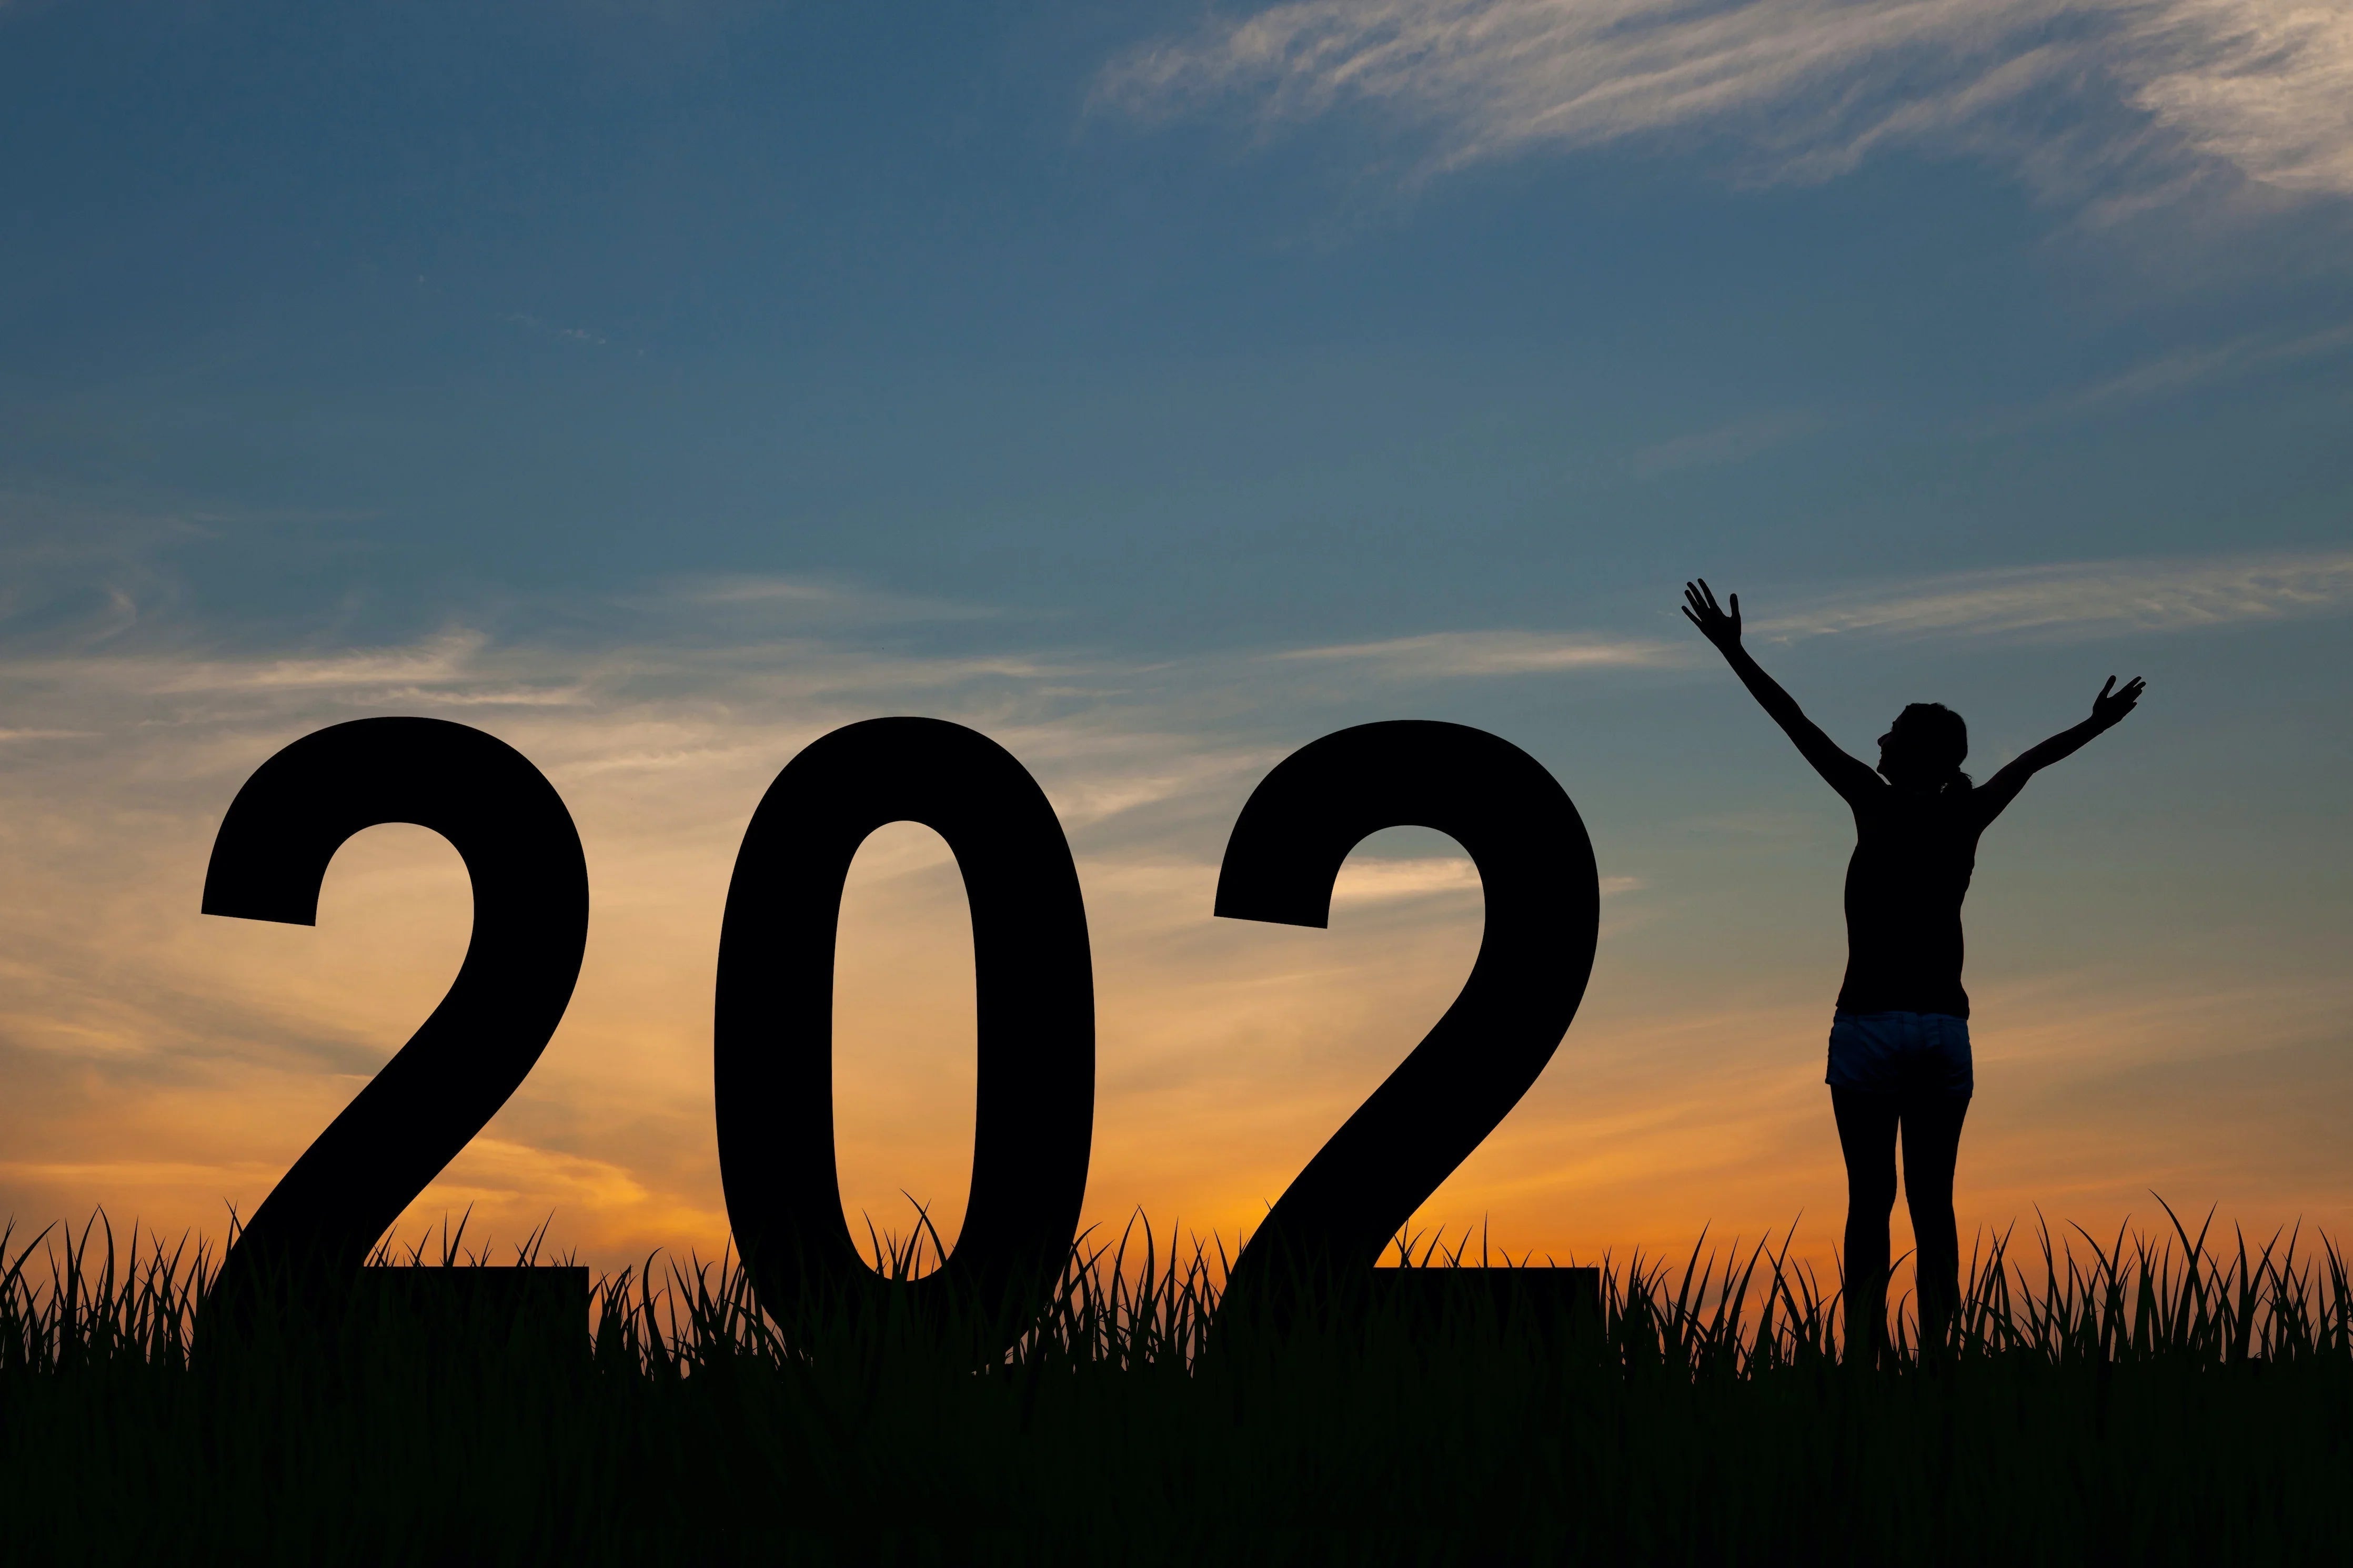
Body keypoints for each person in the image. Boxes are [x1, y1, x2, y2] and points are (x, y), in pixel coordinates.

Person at [1680, 579, 2143, 1360]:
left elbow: (1795, 723)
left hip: (1868, 1022)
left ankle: (1864, 1356)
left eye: (1892, 732)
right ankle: (1938, 1359)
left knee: (1871, 1201)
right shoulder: (1967, 811)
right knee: (1935, 1204)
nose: (1880, 739)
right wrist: (2094, 725)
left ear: (1914, 751)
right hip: (1941, 1028)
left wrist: (1734, 653)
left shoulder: (1874, 801)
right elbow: (2034, 761)